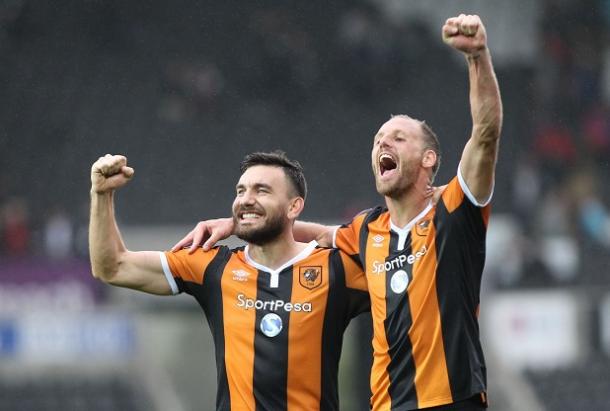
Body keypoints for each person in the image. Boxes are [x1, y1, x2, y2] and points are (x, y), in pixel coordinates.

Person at [173, 14, 502, 411]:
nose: (384, 142)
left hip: (451, 399)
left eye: (398, 137)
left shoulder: (454, 209)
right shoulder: (368, 229)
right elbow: (319, 234)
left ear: (429, 158)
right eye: (379, 139)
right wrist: (238, 224)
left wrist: (477, 57)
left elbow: (485, 132)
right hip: (387, 405)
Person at [88, 151, 369, 411]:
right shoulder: (213, 265)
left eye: (262, 190)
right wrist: (101, 194)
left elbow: (401, 261)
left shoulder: (336, 268)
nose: (246, 199)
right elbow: (112, 267)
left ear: (294, 206)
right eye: (241, 191)